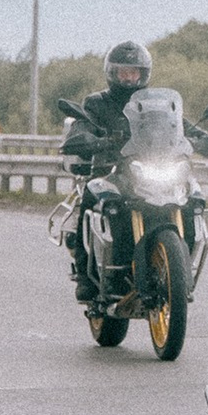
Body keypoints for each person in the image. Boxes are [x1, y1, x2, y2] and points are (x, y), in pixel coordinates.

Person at [58, 41, 154, 301]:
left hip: (146, 169)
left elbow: (180, 126)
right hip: (108, 170)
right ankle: (84, 275)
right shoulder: (97, 103)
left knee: (190, 197)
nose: (129, 77)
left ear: (143, 73)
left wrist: (199, 138)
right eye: (123, 72)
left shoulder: (153, 102)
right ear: (113, 72)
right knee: (91, 195)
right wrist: (89, 139)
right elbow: (82, 126)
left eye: (134, 72)